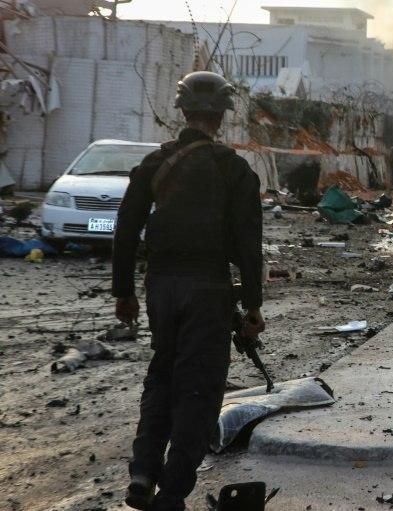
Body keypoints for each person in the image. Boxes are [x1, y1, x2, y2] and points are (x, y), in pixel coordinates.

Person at [112, 71, 265, 511]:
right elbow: (248, 242)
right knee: (199, 388)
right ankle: (173, 492)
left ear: (181, 110)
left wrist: (124, 292)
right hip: (209, 289)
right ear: (222, 115)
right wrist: (252, 304)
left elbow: (126, 229)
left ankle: (142, 473)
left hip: (160, 287)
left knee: (162, 374)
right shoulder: (233, 168)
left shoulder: (155, 163)